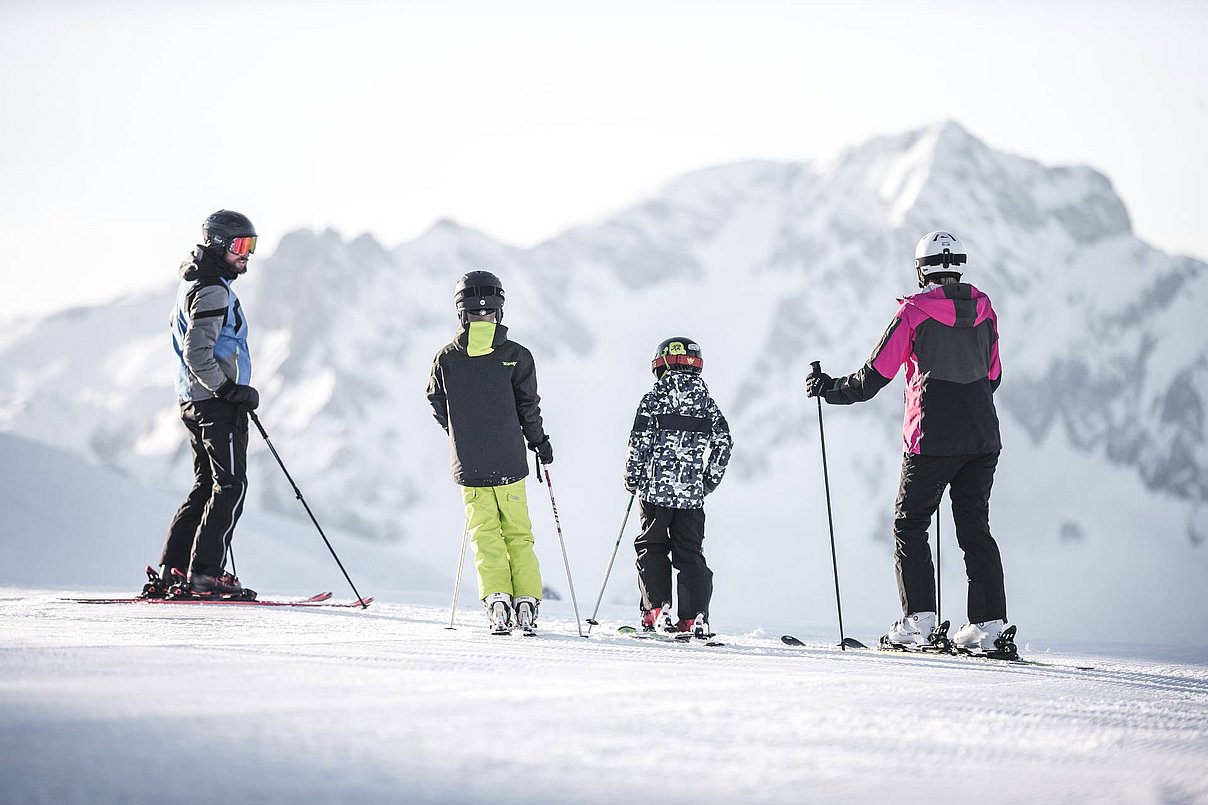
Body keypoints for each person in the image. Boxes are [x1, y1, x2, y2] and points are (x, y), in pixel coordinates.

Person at [805, 230, 1011, 655]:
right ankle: (988, 627)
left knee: (909, 524)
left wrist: (828, 388)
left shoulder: (914, 314)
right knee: (975, 529)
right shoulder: (985, 310)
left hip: (931, 438)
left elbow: (872, 377)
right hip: (982, 437)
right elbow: (993, 376)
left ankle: (920, 623)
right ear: (957, 267)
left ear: (922, 270)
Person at [426, 271, 553, 635]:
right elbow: (528, 406)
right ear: (499, 307)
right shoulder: (517, 356)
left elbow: (436, 401)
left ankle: (497, 600)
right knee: (518, 533)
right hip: (510, 461)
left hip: (470, 465)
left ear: (460, 310)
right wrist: (540, 444)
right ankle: (527, 601)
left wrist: (458, 430)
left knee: (485, 534)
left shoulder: (446, 359)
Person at [154, 210, 261, 599]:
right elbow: (197, 352)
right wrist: (228, 390)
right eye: (239, 246)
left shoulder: (192, 283)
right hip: (214, 403)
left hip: (192, 401)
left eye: (251, 245)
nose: (246, 254)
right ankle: (206, 574)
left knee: (206, 485)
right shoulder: (213, 288)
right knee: (230, 485)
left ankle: (175, 568)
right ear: (218, 244)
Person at [624, 337, 733, 639]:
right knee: (690, 554)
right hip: (692, 496)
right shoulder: (707, 404)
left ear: (661, 365)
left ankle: (658, 610)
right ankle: (694, 617)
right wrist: (708, 480)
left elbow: (639, 443)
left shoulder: (653, 400)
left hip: (653, 493)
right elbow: (725, 443)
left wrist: (633, 478)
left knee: (652, 548)